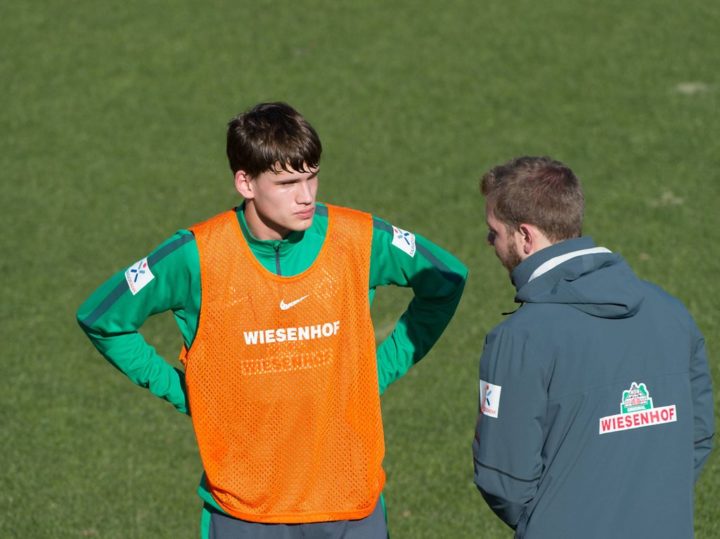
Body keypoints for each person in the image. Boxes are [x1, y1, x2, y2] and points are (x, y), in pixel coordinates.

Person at [77, 102, 467, 538]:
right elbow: (102, 318)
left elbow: (447, 278)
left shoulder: (357, 238)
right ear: (245, 181)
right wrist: (188, 392)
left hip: (350, 506)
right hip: (245, 514)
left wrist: (376, 371)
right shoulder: (196, 255)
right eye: (286, 183)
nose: (306, 196)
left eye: (311, 176)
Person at [472, 156, 714, 538]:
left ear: (525, 236)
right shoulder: (671, 312)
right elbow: (698, 435)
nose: (490, 243)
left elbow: (504, 479)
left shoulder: (519, 339)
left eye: (494, 232)